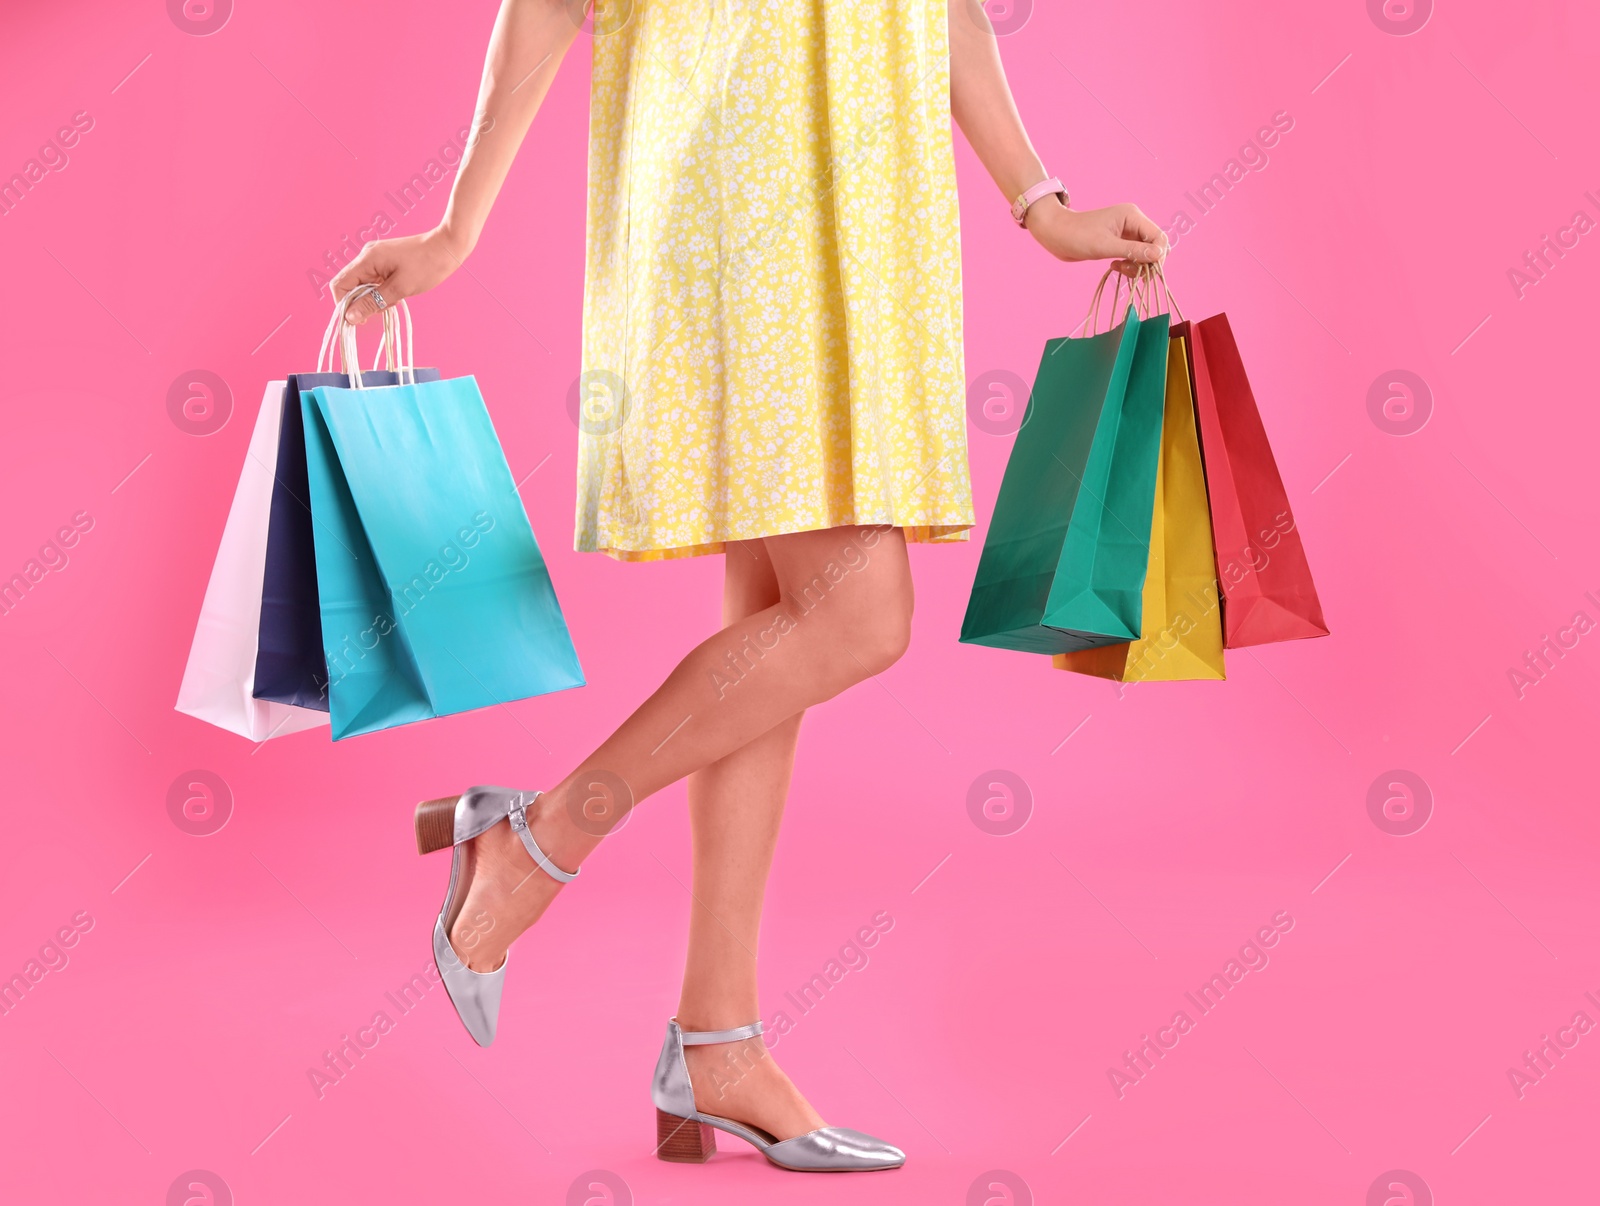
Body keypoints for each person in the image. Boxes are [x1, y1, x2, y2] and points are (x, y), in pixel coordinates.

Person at [332, 0, 1167, 1174]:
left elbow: (951, 19)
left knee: (769, 646)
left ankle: (714, 1041)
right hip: (739, 213)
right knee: (858, 618)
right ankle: (534, 844)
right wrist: (459, 226)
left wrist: (1045, 209)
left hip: (870, 233)